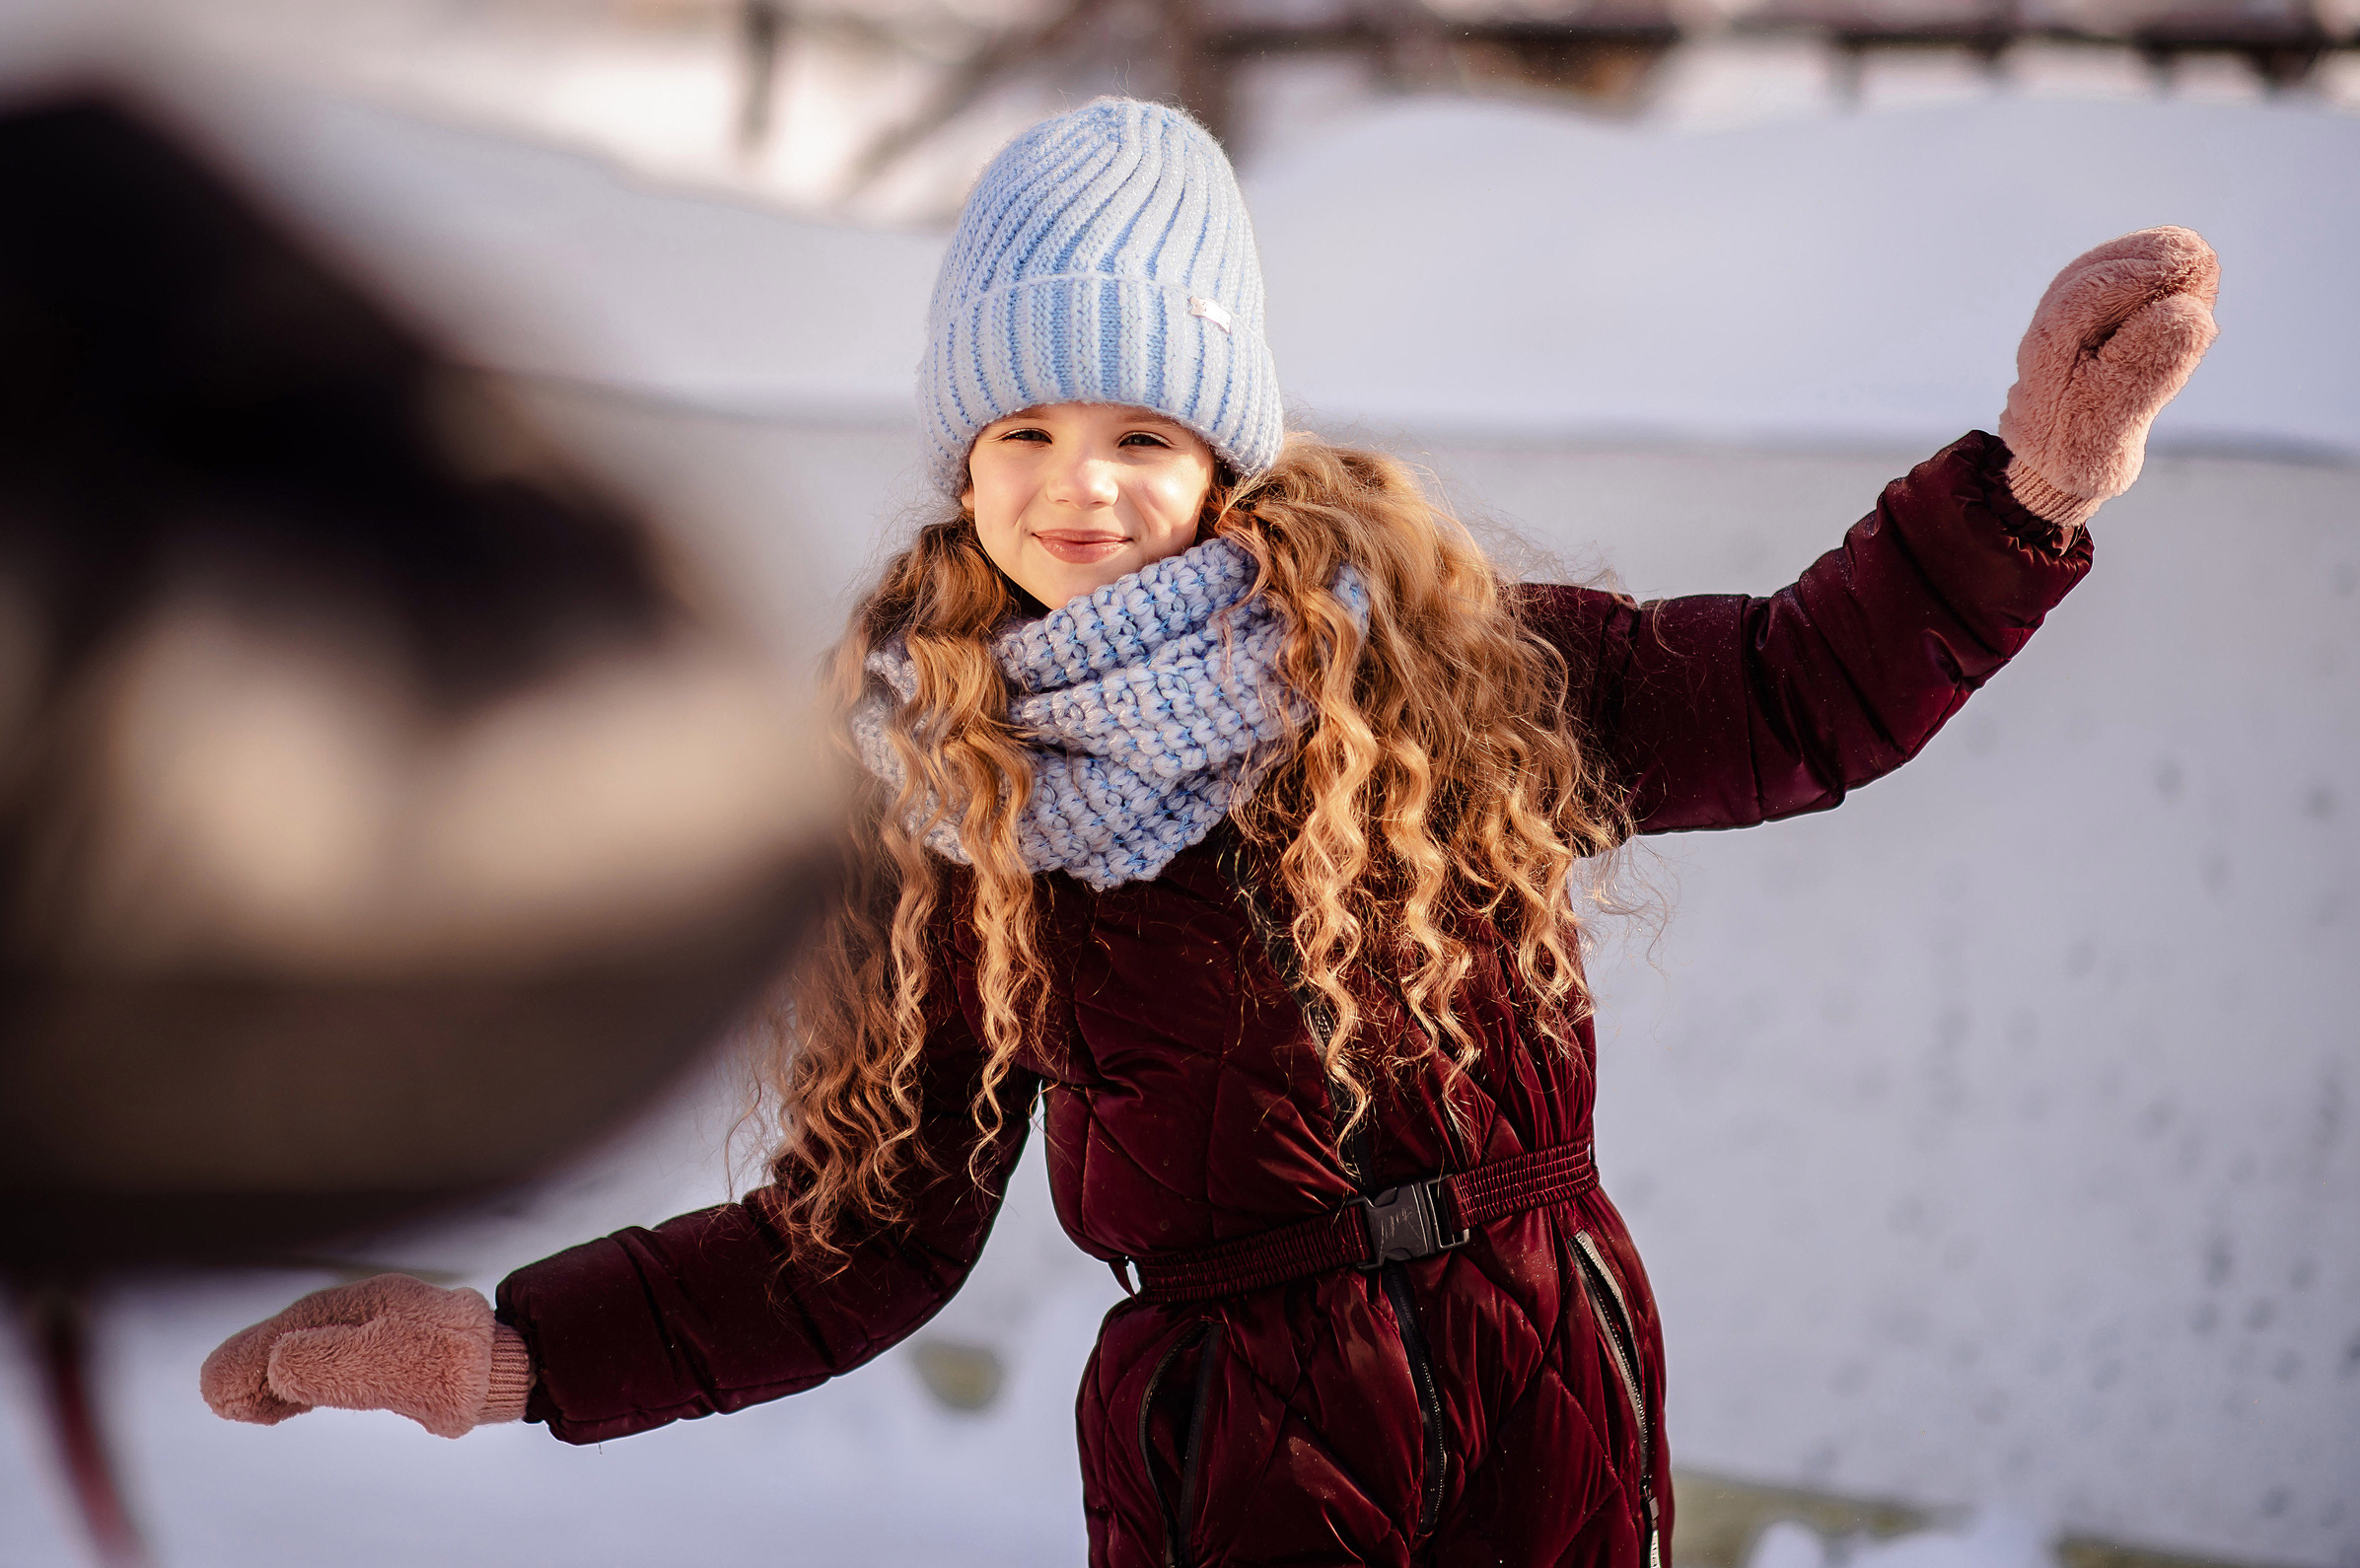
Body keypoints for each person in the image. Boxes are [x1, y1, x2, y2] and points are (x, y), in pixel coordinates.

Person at [202, 97, 2219, 1567]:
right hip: (1227, 1442)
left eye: (1140, 434)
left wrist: (2022, 491)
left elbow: (1787, 701)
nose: (1080, 488)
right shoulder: (946, 812)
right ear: (963, 466)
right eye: (1026, 436)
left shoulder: (1442, 669)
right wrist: (505, 1354)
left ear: (1225, 451)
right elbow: (861, 1243)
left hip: (1547, 1369)